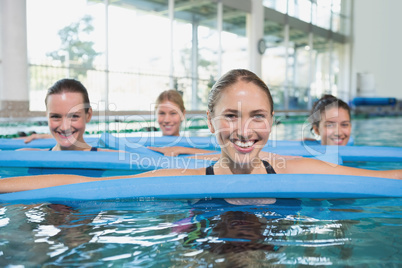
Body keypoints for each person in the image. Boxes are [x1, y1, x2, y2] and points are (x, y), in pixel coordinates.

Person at [1, 69, 401, 193]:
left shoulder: (295, 167)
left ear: (273, 123)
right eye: (230, 116)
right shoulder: (187, 176)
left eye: (257, 116)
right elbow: (82, 184)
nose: (244, 130)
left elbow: (380, 177)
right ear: (210, 123)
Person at [19, 78, 113, 152]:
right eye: (55, 117)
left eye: (74, 116)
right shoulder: (26, 157)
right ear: (47, 116)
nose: (64, 127)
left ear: (88, 115)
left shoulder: (113, 159)